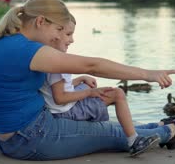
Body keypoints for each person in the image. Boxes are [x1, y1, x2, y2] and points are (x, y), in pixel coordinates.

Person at [0, 0, 175, 160]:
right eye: (58, 30)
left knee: (110, 128)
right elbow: (92, 65)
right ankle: (170, 131)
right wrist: (148, 74)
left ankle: (160, 123)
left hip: (6, 138)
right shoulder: (27, 50)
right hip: (30, 138)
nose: (59, 38)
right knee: (112, 133)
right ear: (40, 21)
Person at [39, 15, 151, 152]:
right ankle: (133, 141)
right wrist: (89, 93)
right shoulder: (57, 63)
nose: (72, 40)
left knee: (88, 84)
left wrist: (80, 79)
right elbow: (60, 98)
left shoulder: (45, 56)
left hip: (57, 109)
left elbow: (55, 88)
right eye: (68, 34)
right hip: (65, 112)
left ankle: (94, 118)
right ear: (55, 33)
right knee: (118, 94)